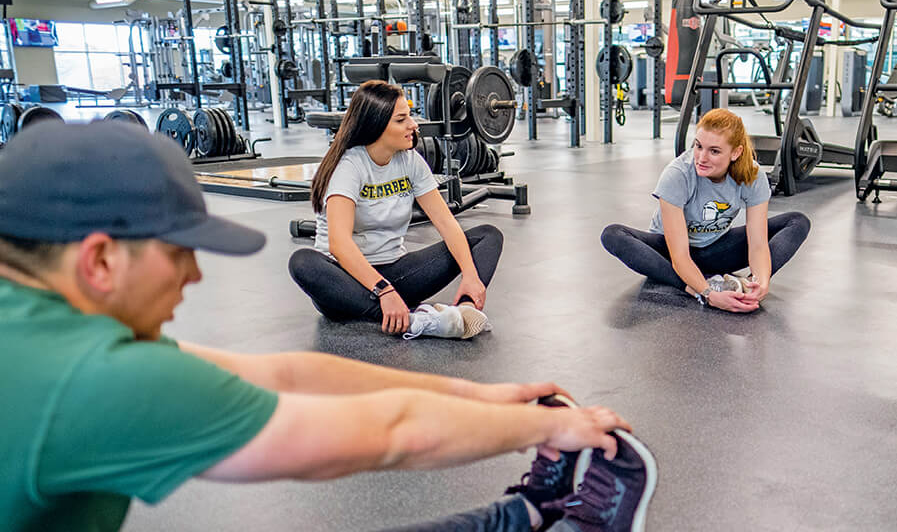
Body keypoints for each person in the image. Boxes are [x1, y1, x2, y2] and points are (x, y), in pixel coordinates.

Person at [0, 121, 657, 532]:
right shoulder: (86, 375)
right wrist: (547, 428)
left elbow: (289, 373)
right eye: (178, 255)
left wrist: (481, 396)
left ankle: (520, 519)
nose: (193, 279)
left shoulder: (42, 328)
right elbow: (389, 436)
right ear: (99, 260)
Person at [289, 80, 504, 339]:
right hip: (345, 283)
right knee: (302, 262)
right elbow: (339, 244)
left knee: (488, 236)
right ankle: (415, 321)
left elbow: (447, 223)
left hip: (396, 272)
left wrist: (470, 275)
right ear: (376, 125)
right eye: (401, 120)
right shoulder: (349, 166)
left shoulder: (411, 161)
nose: (413, 125)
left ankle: (463, 316)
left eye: (409, 117)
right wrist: (383, 291)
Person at [601, 109, 810, 313]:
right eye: (698, 146)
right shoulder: (677, 175)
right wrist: (707, 294)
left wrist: (761, 282)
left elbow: (757, 244)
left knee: (797, 221)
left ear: (736, 152)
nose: (701, 157)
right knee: (613, 235)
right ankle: (691, 287)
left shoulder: (753, 176)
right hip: (668, 253)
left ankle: (742, 287)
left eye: (714, 151)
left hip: (715, 250)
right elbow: (680, 255)